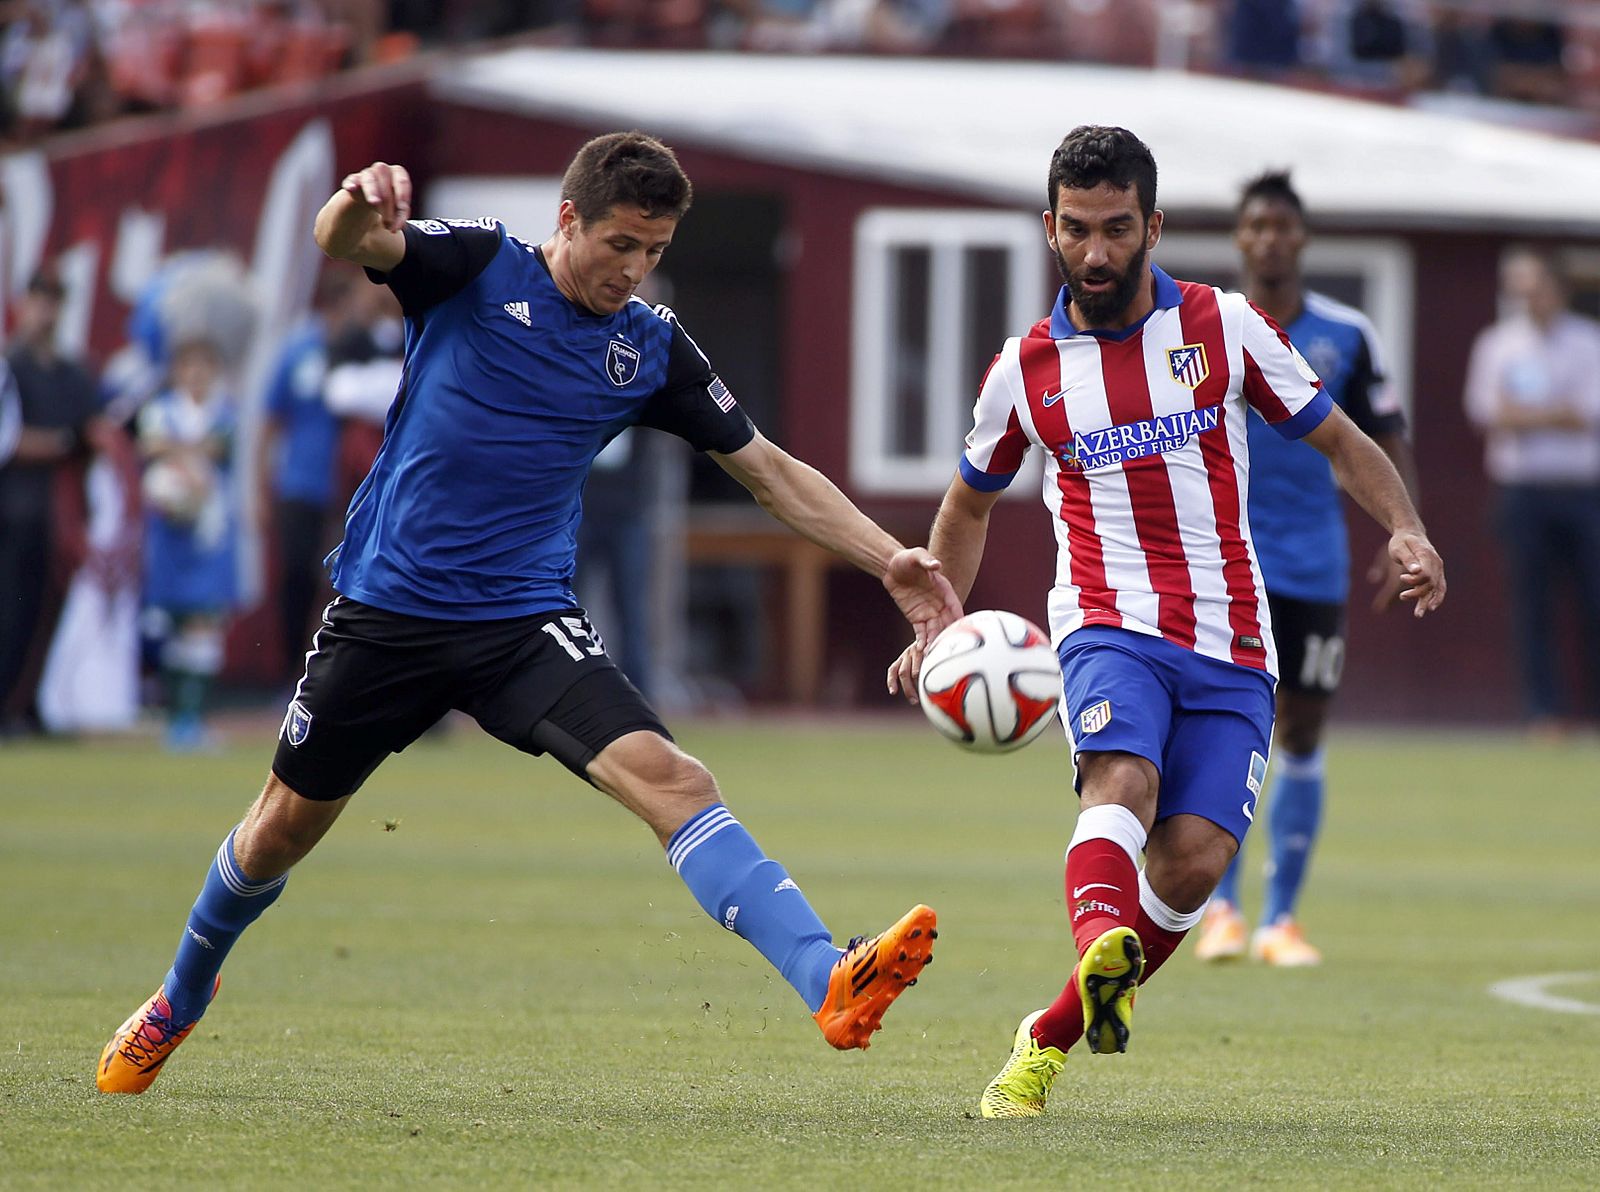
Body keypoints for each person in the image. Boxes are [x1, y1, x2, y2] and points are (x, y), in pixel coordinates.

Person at [97, 132, 957, 1095]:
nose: (633, 271)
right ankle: (179, 997)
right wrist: (354, 197)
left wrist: (895, 562)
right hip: (387, 614)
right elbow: (345, 240)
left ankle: (827, 980)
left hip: (521, 625)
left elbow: (770, 473)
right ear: (568, 219)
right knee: (277, 831)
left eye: (656, 253)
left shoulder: (649, 347)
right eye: (621, 245)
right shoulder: (473, 265)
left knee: (674, 779)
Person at [885, 126, 1444, 1119]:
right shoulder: (1025, 368)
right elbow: (967, 505)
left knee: (1189, 864)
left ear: (1152, 225)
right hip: (1105, 623)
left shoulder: (1222, 327)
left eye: (1114, 230)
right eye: (1074, 230)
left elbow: (1340, 437)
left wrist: (1404, 527)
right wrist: (938, 614)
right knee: (1122, 780)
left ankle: (1046, 1035)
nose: (1094, 253)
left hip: (1234, 640)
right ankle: (1098, 942)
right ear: (1047, 228)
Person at [1192, 170, 1419, 968]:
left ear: (1303, 237)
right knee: (1223, 721)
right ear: (1239, 237)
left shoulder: (1347, 335)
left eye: (1283, 225)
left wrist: (1406, 532)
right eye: (1256, 224)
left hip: (1313, 559)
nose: (1270, 238)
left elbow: (1385, 438)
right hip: (1222, 560)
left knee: (1305, 726)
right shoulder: (1205, 326)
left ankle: (1279, 919)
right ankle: (1216, 907)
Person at [1463, 248, 1600, 737]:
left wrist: (1523, 413)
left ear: (1560, 292)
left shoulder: (1588, 343)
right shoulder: (1497, 345)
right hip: (1522, 491)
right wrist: (1550, 413)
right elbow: (1486, 411)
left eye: (1540, 288)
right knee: (1532, 604)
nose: (1531, 298)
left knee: (1592, 599)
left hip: (1582, 491)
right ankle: (1545, 713)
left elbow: (1586, 414)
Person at [0, 265, 102, 737]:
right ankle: (7, 703)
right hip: (13, 509)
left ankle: (29, 702)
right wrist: (65, 441)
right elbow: (11, 441)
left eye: (55, 300)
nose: (47, 310)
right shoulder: (10, 367)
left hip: (59, 513)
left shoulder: (73, 373)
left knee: (49, 611)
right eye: (40, 299)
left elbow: (96, 432)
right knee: (11, 609)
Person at [137, 336, 241, 751]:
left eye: (204, 367)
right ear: (177, 371)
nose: (196, 375)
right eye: (189, 367)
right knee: (174, 621)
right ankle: (175, 717)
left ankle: (192, 719)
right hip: (169, 534)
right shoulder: (161, 409)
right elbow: (151, 445)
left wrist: (179, 453)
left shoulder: (223, 412)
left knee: (205, 620)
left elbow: (220, 446)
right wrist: (189, 460)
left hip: (208, 533)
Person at [256, 266, 355, 684]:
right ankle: (286, 676)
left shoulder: (366, 350)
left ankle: (330, 678)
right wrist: (259, 489)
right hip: (300, 485)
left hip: (352, 489)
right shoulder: (300, 349)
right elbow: (269, 422)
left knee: (341, 587)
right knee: (296, 581)